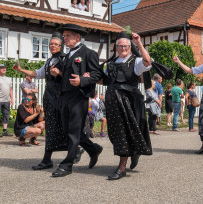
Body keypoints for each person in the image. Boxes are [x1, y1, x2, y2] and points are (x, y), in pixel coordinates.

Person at [15, 32, 85, 170]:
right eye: (51, 44)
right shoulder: (49, 61)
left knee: (62, 126)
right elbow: (37, 73)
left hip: (60, 98)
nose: (53, 46)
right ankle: (62, 154)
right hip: (49, 97)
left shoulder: (66, 59)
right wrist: (21, 69)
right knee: (53, 127)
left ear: (61, 46)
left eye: (56, 44)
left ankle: (73, 149)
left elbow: (72, 77)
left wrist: (58, 73)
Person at [50, 24, 103, 178]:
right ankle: (93, 149)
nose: (64, 38)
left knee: (73, 131)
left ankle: (67, 164)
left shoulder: (88, 53)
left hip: (79, 97)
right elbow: (67, 77)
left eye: (68, 35)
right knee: (69, 130)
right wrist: (58, 73)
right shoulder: (67, 55)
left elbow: (96, 75)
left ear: (77, 37)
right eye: (64, 35)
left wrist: (82, 80)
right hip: (65, 96)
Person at [101, 31, 152, 180]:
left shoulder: (135, 62)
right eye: (120, 46)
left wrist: (139, 44)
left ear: (130, 47)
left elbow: (148, 62)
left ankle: (122, 167)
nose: (123, 49)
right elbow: (104, 81)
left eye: (126, 46)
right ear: (116, 47)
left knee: (126, 133)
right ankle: (133, 153)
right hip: (113, 104)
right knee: (117, 134)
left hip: (130, 103)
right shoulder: (110, 64)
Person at [0, 63, 13, 137]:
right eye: (2, 68)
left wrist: (12, 99)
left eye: (4, 68)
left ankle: (5, 131)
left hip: (7, 100)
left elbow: (10, 89)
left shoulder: (8, 79)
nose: (4, 69)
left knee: (6, 115)